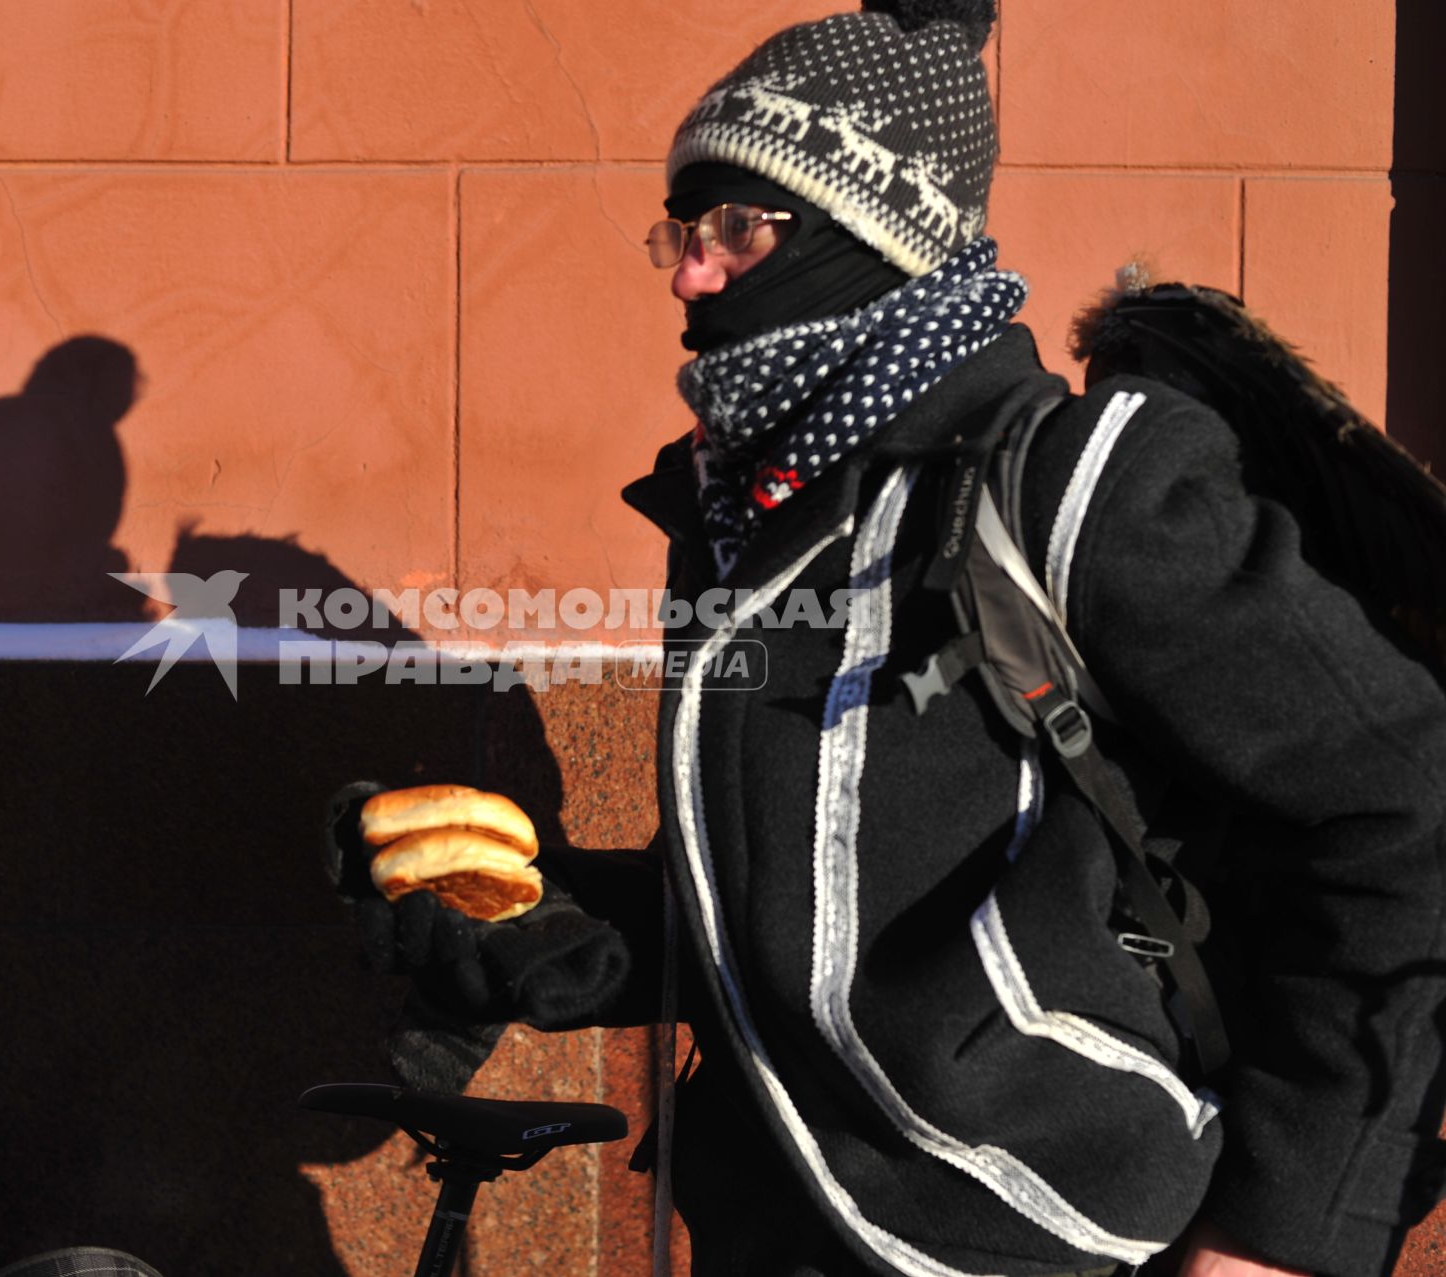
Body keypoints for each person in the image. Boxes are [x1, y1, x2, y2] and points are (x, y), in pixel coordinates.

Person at [332, 3, 1446, 1274]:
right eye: (680, 235)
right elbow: (811, 899)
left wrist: (1283, 1234)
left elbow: (1405, 803)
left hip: (1051, 1231)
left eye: (735, 229)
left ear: (875, 229)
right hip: (776, 1220)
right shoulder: (745, 518)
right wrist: (549, 930)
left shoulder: (1075, 489)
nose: (691, 274)